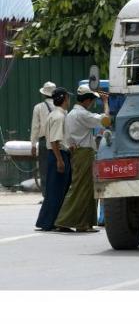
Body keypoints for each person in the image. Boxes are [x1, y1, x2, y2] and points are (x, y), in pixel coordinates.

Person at [55, 85, 110, 233]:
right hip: (85, 152)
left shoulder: (71, 114)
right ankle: (72, 222)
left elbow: (66, 138)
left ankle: (82, 223)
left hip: (77, 152)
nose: (91, 104)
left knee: (81, 187)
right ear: (87, 100)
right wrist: (105, 103)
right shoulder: (82, 114)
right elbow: (105, 121)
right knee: (83, 188)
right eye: (91, 100)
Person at [35, 87, 72, 232]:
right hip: (58, 154)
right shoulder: (59, 117)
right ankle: (55, 222)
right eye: (68, 98)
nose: (69, 101)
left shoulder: (53, 114)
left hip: (55, 154)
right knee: (59, 190)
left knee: (52, 190)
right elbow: (55, 141)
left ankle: (45, 221)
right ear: (64, 99)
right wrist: (60, 160)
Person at [30, 81, 56, 197]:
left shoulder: (38, 107)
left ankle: (46, 196)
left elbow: (35, 127)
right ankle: (57, 194)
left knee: (44, 170)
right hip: (58, 141)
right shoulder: (61, 107)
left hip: (44, 142)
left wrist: (33, 145)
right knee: (57, 168)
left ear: (44, 94)